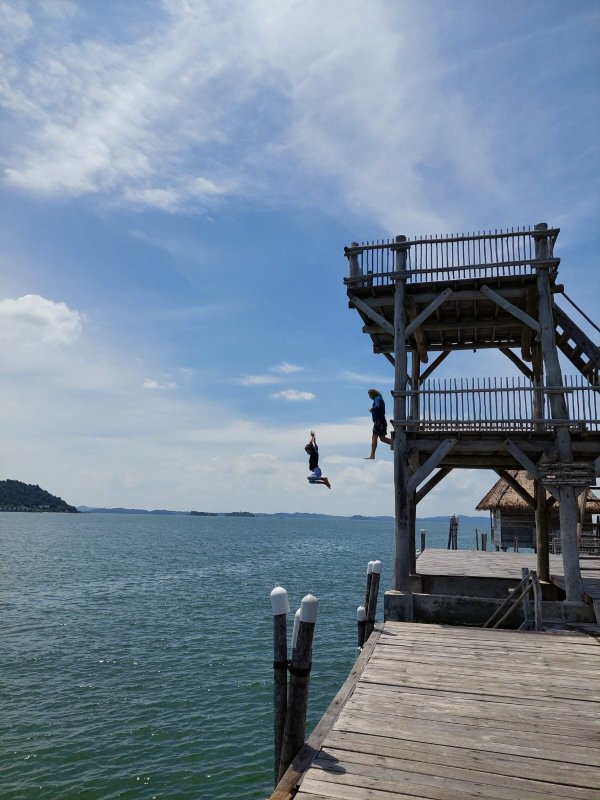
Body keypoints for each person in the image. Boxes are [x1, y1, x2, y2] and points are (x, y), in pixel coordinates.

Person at [364, 389, 391, 459]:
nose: (369, 397)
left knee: (374, 436)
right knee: (382, 438)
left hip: (379, 422)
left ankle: (372, 455)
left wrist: (372, 409)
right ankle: (396, 443)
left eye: (369, 395)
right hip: (382, 421)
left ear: (372, 394)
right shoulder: (379, 398)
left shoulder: (377, 399)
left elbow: (378, 406)